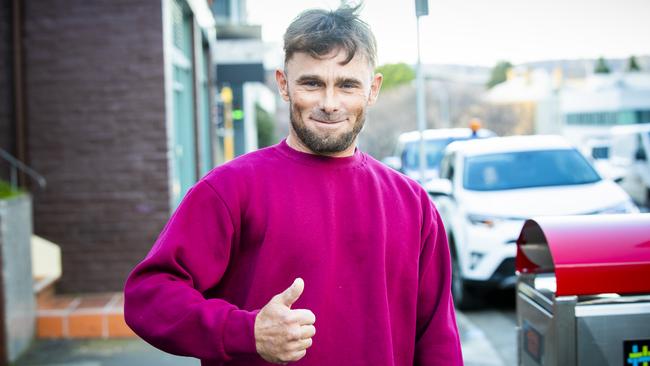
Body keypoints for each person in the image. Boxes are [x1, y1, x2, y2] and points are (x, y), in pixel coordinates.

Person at [124, 4, 463, 365]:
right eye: (312, 83)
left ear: (373, 89)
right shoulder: (229, 189)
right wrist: (246, 331)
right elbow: (149, 295)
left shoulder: (414, 205)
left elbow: (438, 341)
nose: (330, 103)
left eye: (347, 84)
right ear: (284, 84)